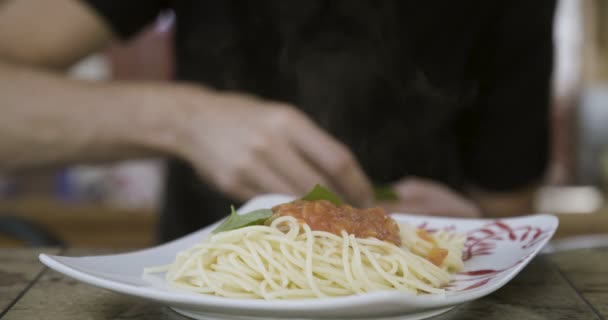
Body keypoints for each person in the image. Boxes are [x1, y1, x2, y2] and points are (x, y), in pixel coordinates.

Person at [0, 0, 555, 242]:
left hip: (424, 292)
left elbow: (507, 211)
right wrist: (184, 118)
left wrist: (468, 232)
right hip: (203, 294)